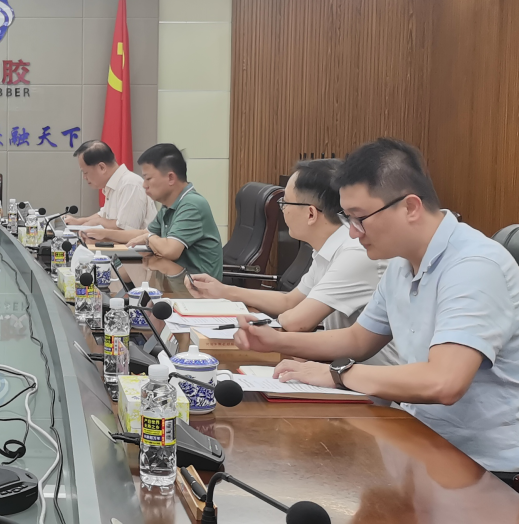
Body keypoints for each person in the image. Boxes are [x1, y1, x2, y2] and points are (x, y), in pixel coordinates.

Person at [234, 138, 519, 483]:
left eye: (359, 219)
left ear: (410, 207)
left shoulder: (474, 266)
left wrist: (339, 374)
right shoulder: (401, 261)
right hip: (420, 441)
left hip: (486, 470)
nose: (353, 234)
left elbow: (444, 382)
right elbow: (359, 339)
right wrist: (273, 340)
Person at [185, 160, 398, 365]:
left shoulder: (355, 252)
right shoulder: (328, 246)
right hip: (341, 367)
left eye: (285, 203)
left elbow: (297, 321)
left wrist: (268, 325)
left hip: (376, 380)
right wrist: (224, 291)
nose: (283, 210)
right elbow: (291, 301)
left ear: (311, 213)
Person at [87, 143, 223, 280]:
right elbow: (143, 233)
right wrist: (104, 234)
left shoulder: (192, 204)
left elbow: (170, 250)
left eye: (148, 178)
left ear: (171, 178)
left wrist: (149, 238)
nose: (144, 185)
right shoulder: (168, 206)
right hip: (175, 282)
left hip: (199, 288)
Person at [63, 140, 156, 232]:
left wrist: (98, 222)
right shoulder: (113, 185)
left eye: (85, 172)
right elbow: (103, 215)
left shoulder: (130, 184)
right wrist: (78, 222)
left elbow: (125, 229)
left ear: (102, 167)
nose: (84, 177)